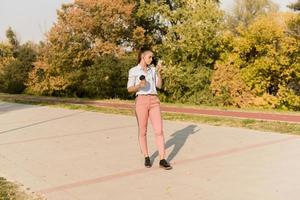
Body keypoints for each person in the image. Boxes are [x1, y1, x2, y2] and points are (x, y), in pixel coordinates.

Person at [127, 47, 172, 170]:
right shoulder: (133, 71)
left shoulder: (152, 70)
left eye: (152, 57)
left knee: (159, 130)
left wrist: (158, 72)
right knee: (143, 131)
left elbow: (159, 85)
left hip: (154, 101)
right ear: (143, 57)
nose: (152, 59)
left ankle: (162, 159)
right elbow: (129, 89)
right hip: (141, 100)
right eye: (149, 57)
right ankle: (146, 156)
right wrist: (139, 85)